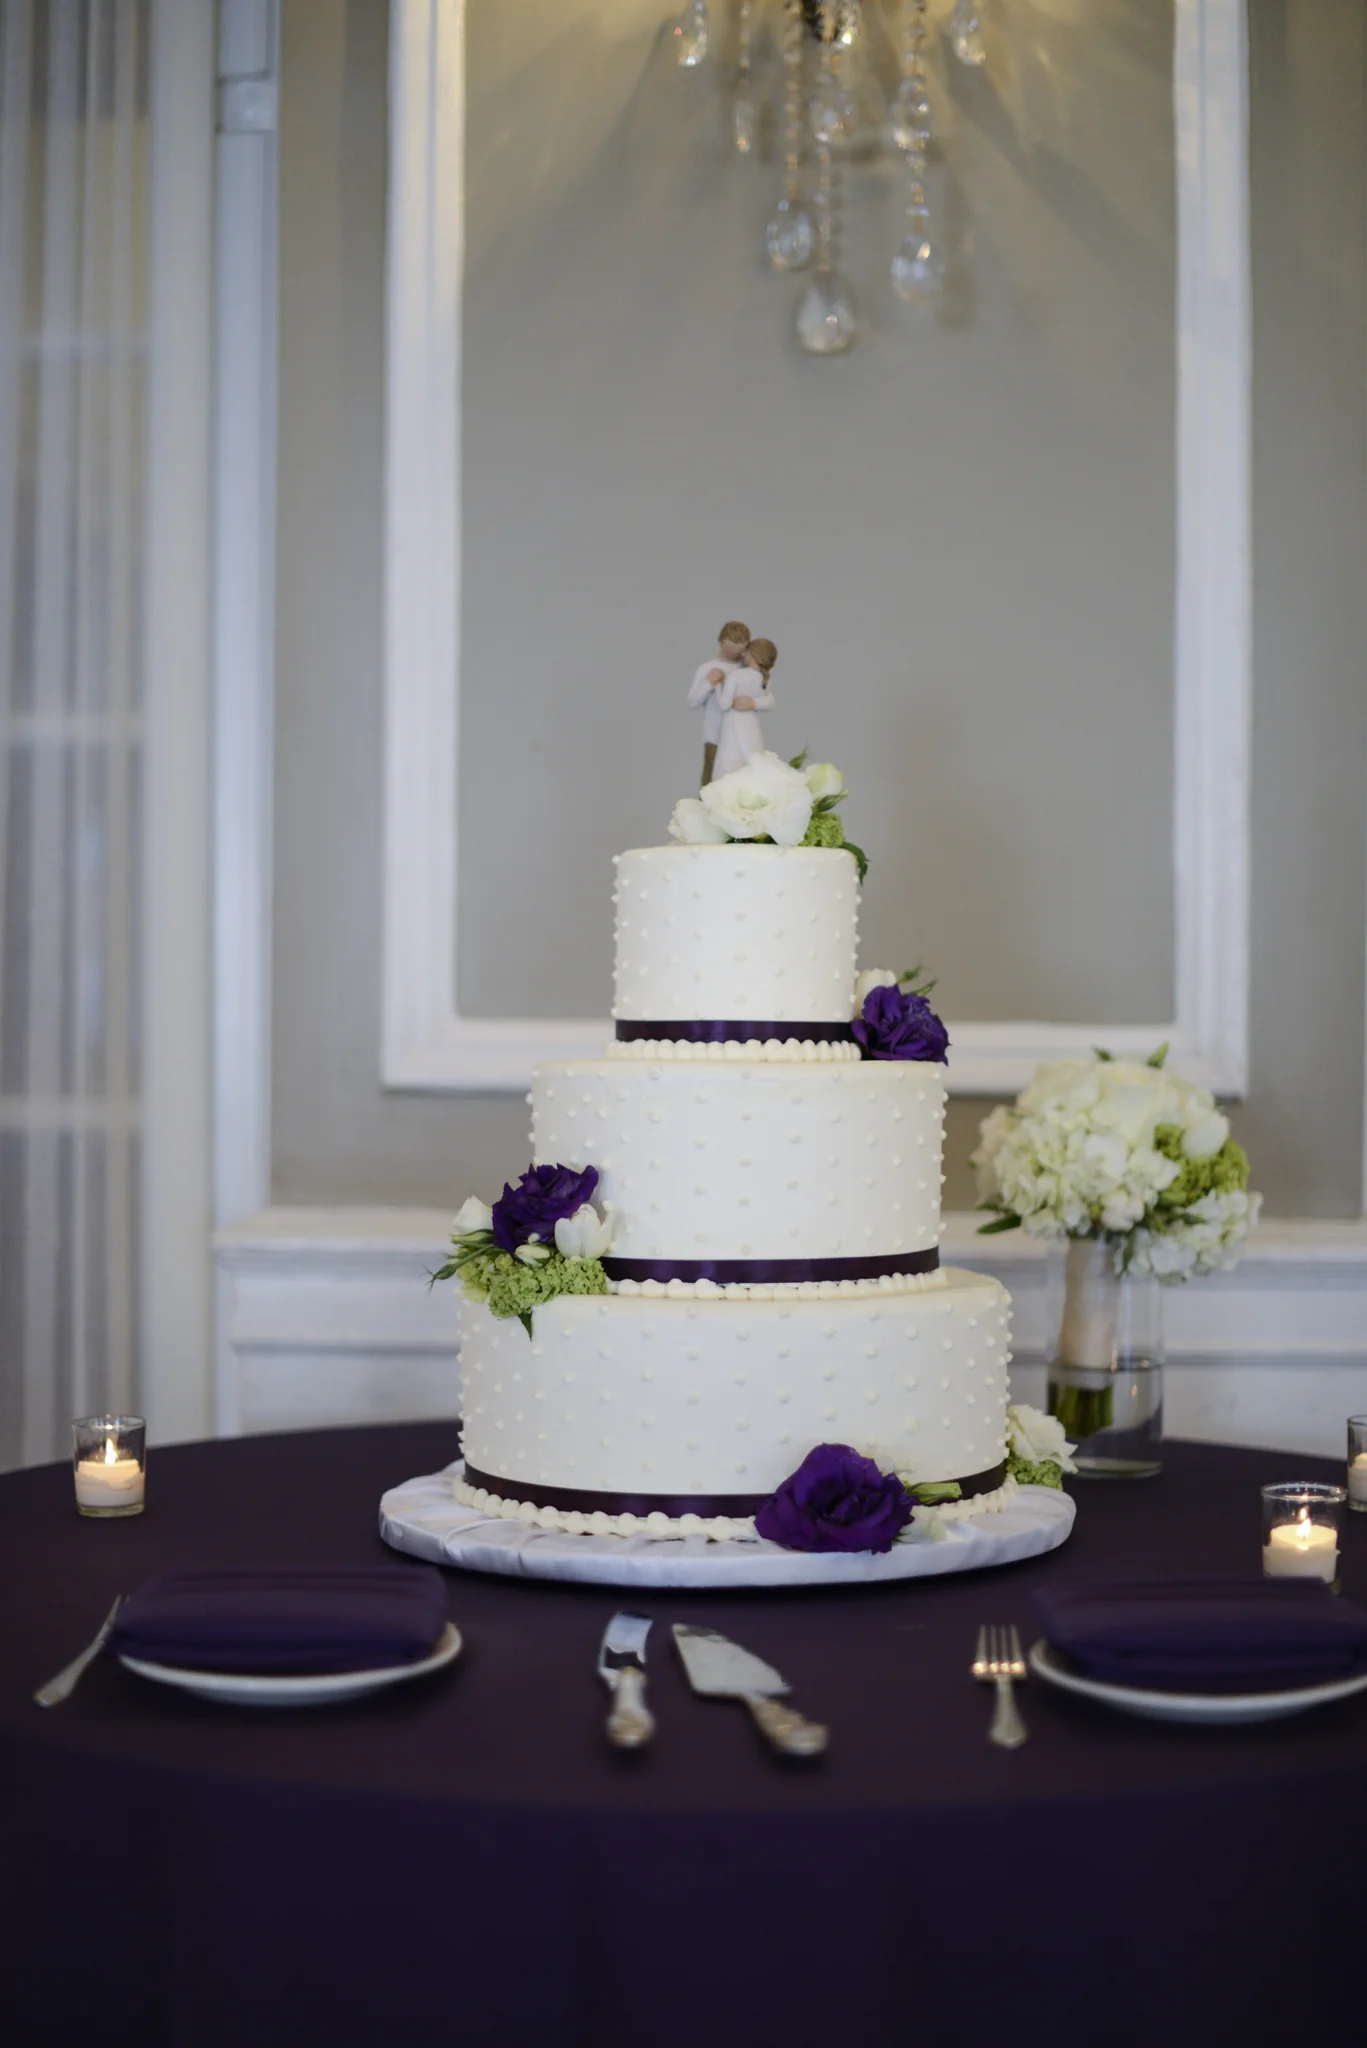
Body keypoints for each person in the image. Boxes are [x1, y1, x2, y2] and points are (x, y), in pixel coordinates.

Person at [686, 620, 750, 786]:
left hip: (741, 736)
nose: (735, 654)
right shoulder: (707, 668)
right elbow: (692, 701)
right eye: (731, 648)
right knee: (711, 782)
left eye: (740, 649)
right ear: (721, 642)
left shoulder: (746, 669)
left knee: (741, 781)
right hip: (715, 736)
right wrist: (709, 682)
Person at [712, 637, 777, 778]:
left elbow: (724, 705)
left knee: (730, 760)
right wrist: (754, 703)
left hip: (733, 725)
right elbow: (770, 701)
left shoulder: (736, 675)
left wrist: (717, 685)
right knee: (752, 757)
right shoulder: (765, 679)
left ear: (752, 655)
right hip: (752, 725)